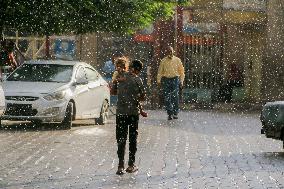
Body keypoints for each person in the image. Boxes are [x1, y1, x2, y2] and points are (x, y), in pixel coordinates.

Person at [115, 60, 146, 175]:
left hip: (121, 113)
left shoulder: (119, 76)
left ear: (130, 67)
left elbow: (113, 91)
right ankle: (131, 165)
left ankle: (120, 165)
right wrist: (135, 96)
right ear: (138, 70)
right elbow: (143, 96)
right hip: (133, 113)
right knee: (132, 139)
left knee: (121, 139)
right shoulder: (138, 80)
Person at [157, 46, 185, 120]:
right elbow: (160, 72)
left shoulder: (177, 60)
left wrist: (181, 81)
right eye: (168, 51)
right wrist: (159, 81)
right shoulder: (163, 61)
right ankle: (169, 113)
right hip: (166, 80)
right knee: (167, 97)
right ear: (166, 52)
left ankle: (175, 113)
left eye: (171, 51)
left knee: (175, 96)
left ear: (173, 51)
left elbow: (182, 72)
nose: (170, 52)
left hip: (175, 79)